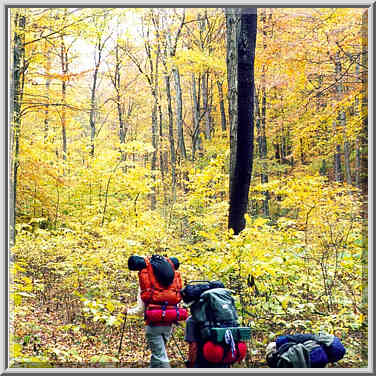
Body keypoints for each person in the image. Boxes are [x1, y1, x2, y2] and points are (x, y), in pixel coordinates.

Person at [125, 254, 184, 368]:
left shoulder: (147, 285)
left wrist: (127, 312)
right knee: (157, 356)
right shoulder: (171, 284)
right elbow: (178, 301)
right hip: (169, 322)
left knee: (160, 358)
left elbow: (140, 309)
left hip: (153, 324)